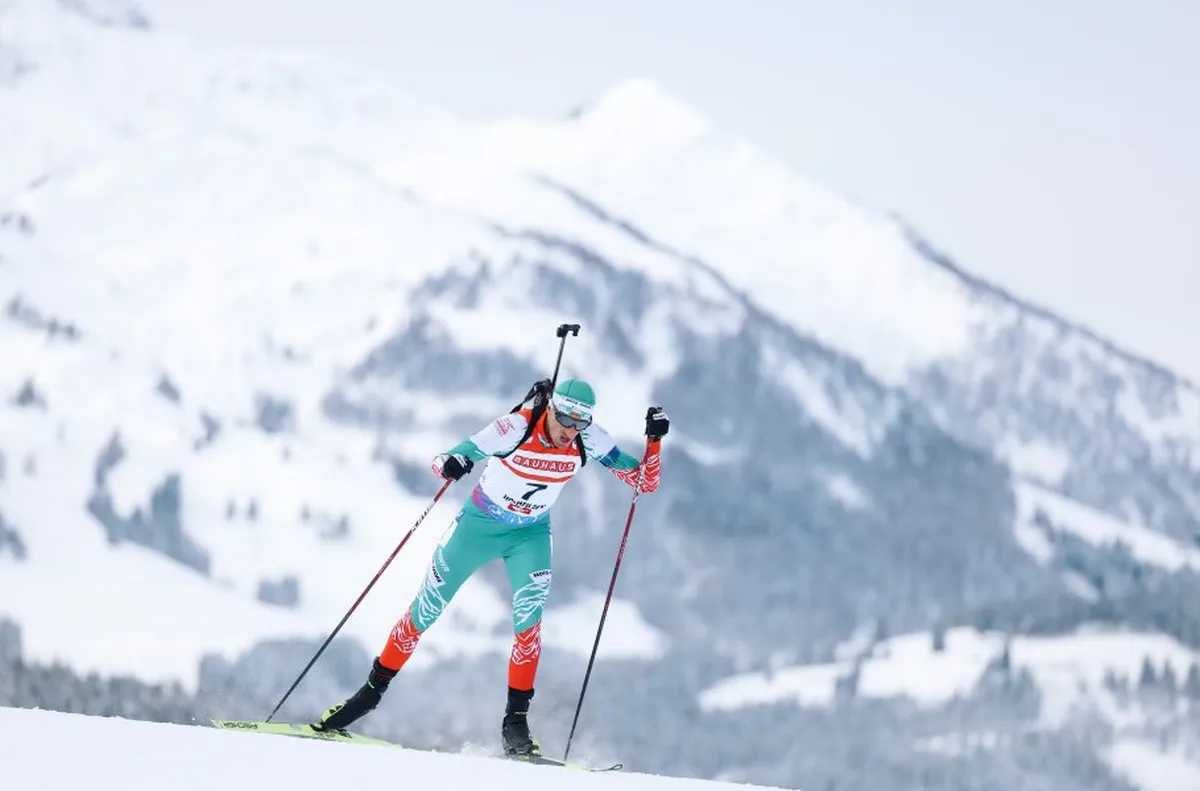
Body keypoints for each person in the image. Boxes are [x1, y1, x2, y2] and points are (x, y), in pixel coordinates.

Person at [311, 377, 669, 756]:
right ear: (552, 408)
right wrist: (454, 462)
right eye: (564, 419)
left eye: (579, 423)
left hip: (529, 534)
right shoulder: (515, 427)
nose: (569, 431)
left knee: (529, 627)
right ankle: (367, 696)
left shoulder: (588, 438)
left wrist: (655, 441)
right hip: (478, 527)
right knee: (424, 612)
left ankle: (515, 723)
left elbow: (643, 482)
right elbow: (449, 456)